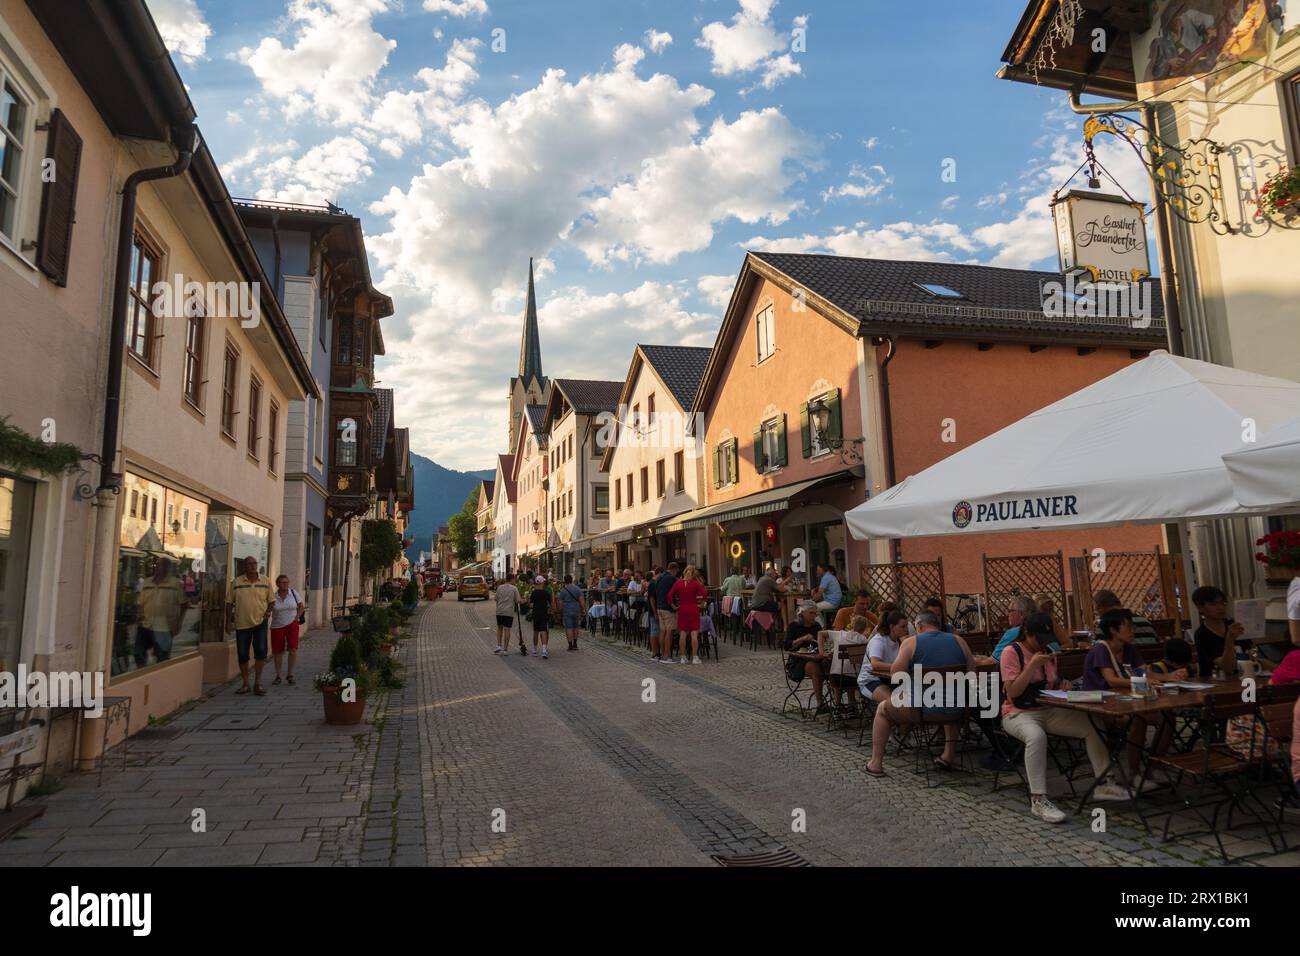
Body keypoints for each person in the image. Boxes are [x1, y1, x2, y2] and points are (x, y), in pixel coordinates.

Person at [999, 612, 1129, 822]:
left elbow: (1052, 684)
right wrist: (1032, 664)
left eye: (1046, 641)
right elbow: (1013, 692)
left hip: (1048, 709)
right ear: (1027, 633)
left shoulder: (1049, 652)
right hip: (1017, 714)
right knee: (1036, 736)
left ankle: (1105, 783)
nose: (1042, 645)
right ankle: (1039, 800)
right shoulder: (1011, 652)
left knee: (1092, 722)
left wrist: (1063, 684)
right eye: (1038, 640)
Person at [865, 612, 982, 776]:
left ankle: (876, 763)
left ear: (919, 626)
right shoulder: (959, 641)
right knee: (950, 698)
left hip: (921, 711)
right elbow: (972, 673)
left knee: (883, 709)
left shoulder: (911, 642)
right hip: (957, 710)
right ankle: (948, 756)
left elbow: (896, 673)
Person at [225, 555, 272, 696]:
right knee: (243, 655)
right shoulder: (237, 582)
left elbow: (272, 600)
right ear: (244, 566)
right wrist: (228, 621)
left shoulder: (265, 581)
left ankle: (258, 683)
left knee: (261, 653)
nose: (252, 565)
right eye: (249, 563)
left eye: (254, 563)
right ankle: (245, 683)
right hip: (242, 624)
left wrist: (268, 613)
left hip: (260, 623)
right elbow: (228, 603)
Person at [135, 557, 184, 668]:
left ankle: (159, 681)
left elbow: (184, 604)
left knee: (162, 658)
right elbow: (140, 602)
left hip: (164, 627)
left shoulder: (175, 584)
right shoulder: (147, 582)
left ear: (168, 569)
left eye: (163, 566)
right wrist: (139, 615)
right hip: (146, 624)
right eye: (158, 565)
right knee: (138, 653)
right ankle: (142, 677)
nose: (159, 568)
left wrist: (179, 623)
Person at [784, 602, 828, 713]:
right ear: (802, 613)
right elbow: (786, 646)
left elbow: (821, 644)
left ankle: (837, 702)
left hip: (815, 657)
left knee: (830, 664)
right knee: (815, 668)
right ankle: (820, 704)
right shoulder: (794, 626)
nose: (814, 616)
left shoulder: (816, 626)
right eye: (811, 613)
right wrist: (802, 639)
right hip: (798, 661)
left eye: (815, 613)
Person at [1191, 585, 1244, 678]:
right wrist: (1230, 639)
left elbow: (1251, 656)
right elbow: (1228, 668)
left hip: (1242, 677)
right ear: (1200, 608)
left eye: (1223, 603)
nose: (1220, 607)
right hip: (1215, 682)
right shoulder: (1202, 634)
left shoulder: (1233, 625)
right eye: (1213, 604)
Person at [820, 615, 870, 711]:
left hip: (836, 678)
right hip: (854, 680)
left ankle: (837, 706)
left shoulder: (840, 634)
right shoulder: (864, 640)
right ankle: (851, 704)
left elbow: (820, 633)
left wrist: (823, 652)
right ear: (864, 628)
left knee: (840, 674)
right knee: (851, 671)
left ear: (851, 625)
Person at [858, 609, 907, 705]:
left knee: (914, 698)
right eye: (903, 626)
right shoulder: (879, 641)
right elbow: (875, 664)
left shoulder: (898, 641)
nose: (906, 629)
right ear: (892, 627)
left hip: (890, 679)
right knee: (893, 702)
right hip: (871, 680)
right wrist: (898, 666)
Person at [269, 574, 306, 686]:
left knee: (293, 649)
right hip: (277, 625)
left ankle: (290, 674)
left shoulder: (293, 593)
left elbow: (301, 606)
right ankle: (278, 675)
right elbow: (268, 609)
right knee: (278, 652)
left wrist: (296, 618)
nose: (285, 584)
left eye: (286, 582)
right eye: (282, 582)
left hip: (292, 624)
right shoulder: (273, 596)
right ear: (277, 584)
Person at [668, 565, 708, 664]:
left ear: (684, 572)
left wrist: (673, 606)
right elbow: (704, 593)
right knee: (694, 633)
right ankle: (695, 657)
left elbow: (669, 595)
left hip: (682, 609)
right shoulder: (695, 584)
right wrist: (702, 604)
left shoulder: (678, 583)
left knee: (683, 633)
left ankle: (683, 657)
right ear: (694, 574)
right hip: (693, 608)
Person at [1094, 589, 1159, 644]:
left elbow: (1099, 649)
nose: (1096, 612)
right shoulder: (1146, 622)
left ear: (1101, 608)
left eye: (1096, 609)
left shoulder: (1106, 625)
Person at [991, 595, 1039, 663]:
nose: (1008, 614)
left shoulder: (1013, 633)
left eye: (1010, 610)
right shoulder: (1041, 629)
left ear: (1021, 614)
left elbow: (992, 662)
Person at [650, 562, 679, 663]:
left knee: (663, 631)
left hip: (659, 607)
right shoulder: (671, 578)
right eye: (676, 571)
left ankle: (662, 654)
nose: (676, 573)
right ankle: (667, 656)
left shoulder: (659, 577)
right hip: (667, 608)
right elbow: (679, 588)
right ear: (674, 569)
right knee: (669, 631)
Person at [493, 572, 521, 655]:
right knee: (507, 629)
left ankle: (499, 645)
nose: (515, 581)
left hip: (499, 611)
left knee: (499, 628)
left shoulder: (500, 587)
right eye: (514, 579)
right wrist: (525, 600)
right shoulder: (514, 588)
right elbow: (518, 600)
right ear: (512, 579)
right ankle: (505, 649)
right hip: (508, 612)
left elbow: (495, 599)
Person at [557, 574, 586, 651]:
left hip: (567, 610)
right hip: (576, 610)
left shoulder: (563, 591)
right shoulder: (577, 589)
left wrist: (559, 611)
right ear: (572, 580)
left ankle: (570, 645)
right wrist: (583, 610)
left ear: (564, 581)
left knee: (569, 628)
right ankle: (575, 644)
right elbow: (582, 601)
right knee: (576, 627)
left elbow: (560, 603)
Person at [529, 575, 554, 659]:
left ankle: (535, 650)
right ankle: (544, 650)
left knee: (535, 631)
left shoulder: (534, 593)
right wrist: (550, 610)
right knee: (543, 631)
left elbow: (531, 605)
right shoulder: (546, 593)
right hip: (544, 614)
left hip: (535, 614)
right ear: (542, 582)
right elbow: (551, 604)